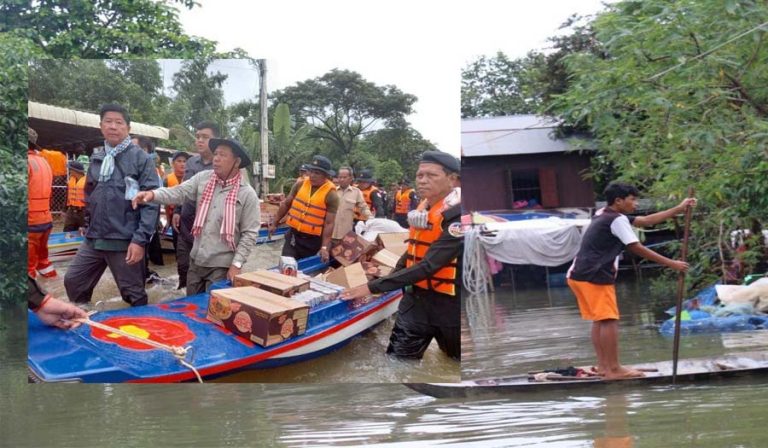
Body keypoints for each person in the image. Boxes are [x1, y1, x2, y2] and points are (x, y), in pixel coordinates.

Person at [566, 182, 696, 380]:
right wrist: (671, 263)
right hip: (594, 276)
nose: (636, 204)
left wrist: (679, 208)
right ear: (618, 201)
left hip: (579, 275)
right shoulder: (616, 220)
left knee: (600, 320)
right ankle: (613, 369)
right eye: (632, 199)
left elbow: (645, 220)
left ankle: (604, 366)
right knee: (609, 320)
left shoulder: (603, 213)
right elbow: (636, 247)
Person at [342, 150, 462, 360]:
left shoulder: (458, 218)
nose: (423, 181)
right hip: (416, 300)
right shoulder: (423, 210)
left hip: (450, 305)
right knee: (398, 363)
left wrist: (371, 287)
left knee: (454, 361)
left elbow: (429, 265)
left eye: (431, 175)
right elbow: (412, 252)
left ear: (452, 180)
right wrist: (384, 279)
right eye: (420, 175)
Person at [133, 138, 261, 295]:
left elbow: (249, 234)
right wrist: (152, 194)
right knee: (191, 304)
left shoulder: (247, 194)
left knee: (214, 310)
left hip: (222, 266)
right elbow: (178, 192)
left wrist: (237, 265)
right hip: (196, 259)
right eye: (215, 154)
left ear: (237, 161)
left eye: (223, 155)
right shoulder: (203, 179)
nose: (216, 158)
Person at [63, 103, 160, 308]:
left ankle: (141, 330)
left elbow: (151, 203)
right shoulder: (97, 158)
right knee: (74, 280)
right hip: (94, 238)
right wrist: (87, 224)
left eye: (119, 122)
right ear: (101, 126)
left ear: (128, 127)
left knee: (134, 294)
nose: (113, 127)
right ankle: (85, 320)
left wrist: (140, 241)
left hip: (124, 239)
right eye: (108, 122)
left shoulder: (140, 158)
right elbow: (90, 195)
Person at [172, 121, 219, 290]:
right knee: (183, 267)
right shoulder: (191, 162)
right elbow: (184, 188)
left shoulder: (220, 164)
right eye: (198, 137)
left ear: (215, 140)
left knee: (206, 273)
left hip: (209, 228)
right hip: (186, 224)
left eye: (205, 137)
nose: (200, 140)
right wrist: (177, 210)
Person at [269, 155, 338, 263]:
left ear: (326, 175)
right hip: (294, 236)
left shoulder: (331, 195)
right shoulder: (300, 184)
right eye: (311, 171)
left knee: (304, 273)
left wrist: (324, 247)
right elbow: (286, 204)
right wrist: (275, 223)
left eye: (317, 173)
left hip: (313, 241)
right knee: (286, 265)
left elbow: (329, 223)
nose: (312, 175)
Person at [28, 127, 58, 279]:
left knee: (27, 267)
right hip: (45, 219)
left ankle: (31, 299)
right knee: (43, 261)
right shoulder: (44, 162)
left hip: (30, 221)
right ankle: (53, 284)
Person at [333, 166, 371, 243]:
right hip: (329, 233)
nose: (341, 179)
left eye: (344, 177)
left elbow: (363, 208)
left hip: (345, 234)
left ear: (351, 178)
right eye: (340, 177)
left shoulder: (356, 192)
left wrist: (372, 220)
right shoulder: (332, 191)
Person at [164, 151, 190, 251]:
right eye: (179, 161)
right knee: (177, 244)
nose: (182, 164)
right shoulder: (167, 180)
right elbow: (166, 202)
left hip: (187, 217)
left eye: (184, 161)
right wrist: (168, 220)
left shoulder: (191, 178)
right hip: (173, 216)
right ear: (173, 163)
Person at [63, 161, 87, 232]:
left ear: (75, 170)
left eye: (70, 169)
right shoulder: (71, 180)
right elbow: (67, 196)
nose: (69, 171)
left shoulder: (88, 181)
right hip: (71, 211)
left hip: (83, 212)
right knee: (67, 231)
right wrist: (64, 210)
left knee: (84, 233)